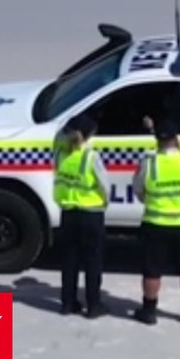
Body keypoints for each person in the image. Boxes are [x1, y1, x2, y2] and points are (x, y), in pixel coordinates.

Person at [130, 119, 180, 325]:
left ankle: (149, 311)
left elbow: (138, 190)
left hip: (156, 223)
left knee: (152, 270)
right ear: (176, 138)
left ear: (157, 140)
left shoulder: (148, 163)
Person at [53, 114, 111, 318]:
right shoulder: (90, 157)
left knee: (69, 260)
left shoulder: (60, 154)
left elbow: (59, 137)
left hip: (69, 212)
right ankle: (93, 305)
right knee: (92, 262)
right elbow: (104, 185)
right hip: (91, 213)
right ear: (89, 135)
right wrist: (104, 203)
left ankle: (67, 303)